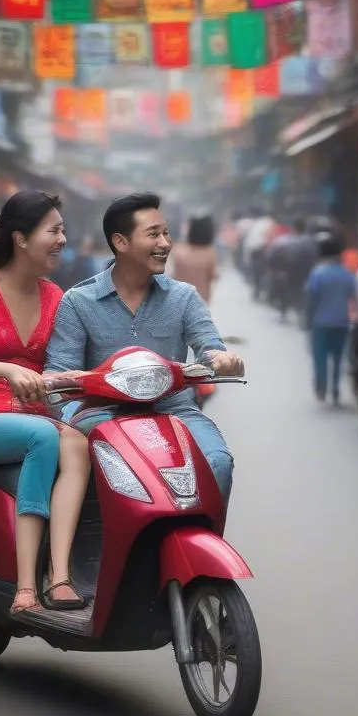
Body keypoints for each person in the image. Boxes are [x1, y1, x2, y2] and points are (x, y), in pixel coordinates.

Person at [45, 192, 243, 507]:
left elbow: (210, 348)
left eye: (166, 233)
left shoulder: (184, 297)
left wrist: (223, 359)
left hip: (176, 412)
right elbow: (58, 372)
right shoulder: (78, 301)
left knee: (218, 462)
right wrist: (60, 393)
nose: (165, 243)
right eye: (154, 234)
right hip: (102, 415)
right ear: (121, 242)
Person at [0, 191, 90, 618]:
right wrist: (7, 371)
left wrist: (77, 377)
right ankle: (26, 587)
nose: (63, 238)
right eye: (55, 230)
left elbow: (62, 363)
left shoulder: (56, 297)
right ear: (21, 239)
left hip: (32, 412)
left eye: (63, 229)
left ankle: (60, 575)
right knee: (44, 437)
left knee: (79, 444)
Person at [304, 234, 356, 404]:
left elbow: (311, 297)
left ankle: (321, 387)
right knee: (338, 357)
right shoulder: (347, 274)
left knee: (320, 358)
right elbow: (353, 296)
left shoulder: (317, 273)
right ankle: (335, 388)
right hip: (342, 322)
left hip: (321, 322)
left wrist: (307, 318)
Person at [170, 214, 218, 304]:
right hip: (200, 298)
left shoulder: (178, 249)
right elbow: (213, 275)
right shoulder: (209, 253)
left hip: (179, 297)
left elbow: (171, 272)